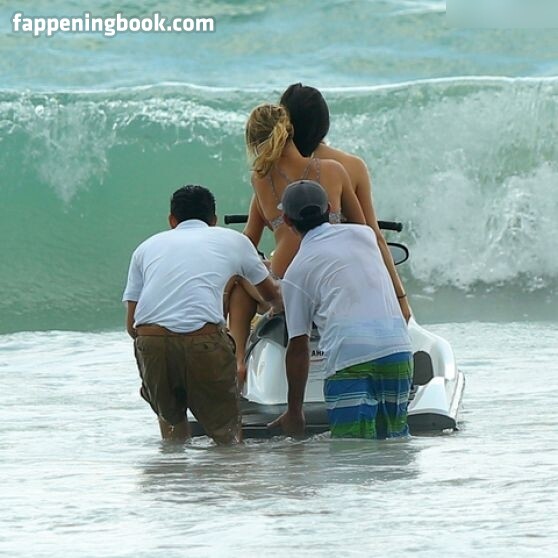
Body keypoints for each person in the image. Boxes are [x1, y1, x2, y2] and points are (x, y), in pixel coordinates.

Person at [122, 185, 282, 444]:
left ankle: (175, 463)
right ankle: (226, 467)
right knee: (228, 437)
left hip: (152, 342)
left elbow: (132, 325)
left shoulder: (145, 248)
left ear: (172, 220)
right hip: (204, 342)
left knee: (172, 429)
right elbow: (270, 295)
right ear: (214, 220)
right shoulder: (234, 240)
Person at [228, 103, 366, 382]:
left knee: (240, 279)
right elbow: (363, 232)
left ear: (254, 141)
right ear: (290, 130)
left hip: (287, 290)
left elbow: (246, 244)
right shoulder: (333, 170)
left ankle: (238, 361)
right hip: (333, 285)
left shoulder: (261, 180)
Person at [269, 181, 413, 439]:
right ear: (330, 208)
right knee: (395, 442)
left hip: (350, 358)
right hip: (397, 349)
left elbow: (298, 347)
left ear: (287, 221)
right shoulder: (365, 236)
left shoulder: (296, 272)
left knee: (352, 450)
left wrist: (294, 411)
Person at [279, 83, 411, 323]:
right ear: (324, 124)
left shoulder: (271, 170)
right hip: (341, 281)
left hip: (292, 277)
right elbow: (373, 235)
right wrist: (400, 298)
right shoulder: (351, 166)